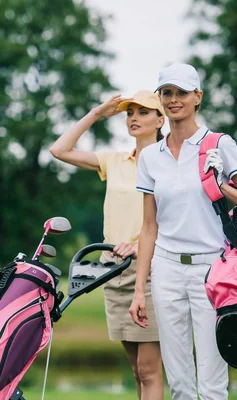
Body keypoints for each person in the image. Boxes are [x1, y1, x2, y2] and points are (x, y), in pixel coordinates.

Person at [129, 63, 237, 400]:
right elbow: (150, 227)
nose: (174, 100)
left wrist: (223, 186)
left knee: (211, 382)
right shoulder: (150, 157)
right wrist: (138, 289)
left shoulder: (220, 145)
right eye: (167, 93)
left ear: (198, 97)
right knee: (179, 381)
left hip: (212, 271)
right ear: (161, 99)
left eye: (182, 93)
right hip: (166, 270)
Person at [50, 90, 165, 399]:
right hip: (113, 271)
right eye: (130, 113)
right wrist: (97, 114)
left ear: (160, 119)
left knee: (150, 370)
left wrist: (141, 248)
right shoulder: (114, 161)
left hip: (153, 272)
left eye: (143, 112)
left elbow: (173, 220)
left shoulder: (169, 164)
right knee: (137, 372)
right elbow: (59, 149)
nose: (133, 118)